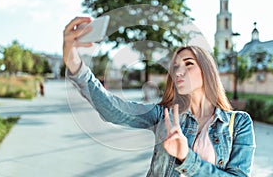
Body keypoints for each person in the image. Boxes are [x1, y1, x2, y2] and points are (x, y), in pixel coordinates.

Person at [63, 17, 256, 176]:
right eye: (175, 67)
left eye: (188, 64)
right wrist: (74, 63)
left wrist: (187, 158)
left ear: (207, 71)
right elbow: (114, 109)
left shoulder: (238, 123)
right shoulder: (164, 115)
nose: (179, 71)